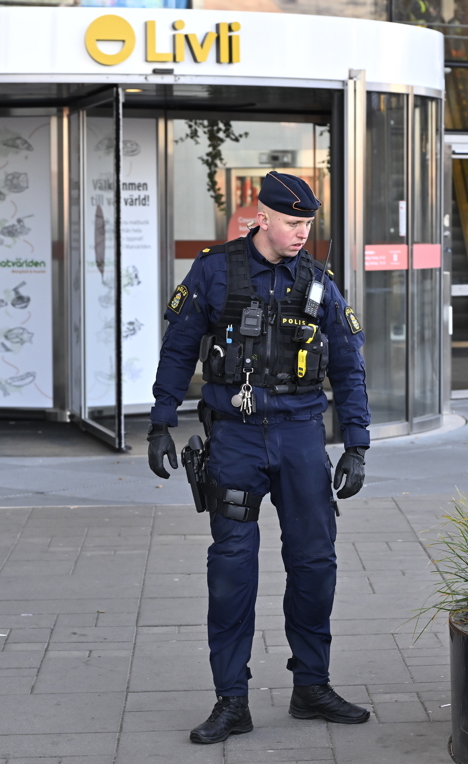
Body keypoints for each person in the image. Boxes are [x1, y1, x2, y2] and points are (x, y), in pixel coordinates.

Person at [146, 170, 373, 744]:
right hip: (237, 438)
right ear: (262, 217)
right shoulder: (214, 270)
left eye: (308, 224)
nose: (303, 233)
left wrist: (358, 444)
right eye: (294, 223)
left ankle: (311, 686)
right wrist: (160, 420)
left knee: (315, 563)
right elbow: (178, 347)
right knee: (231, 569)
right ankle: (231, 700)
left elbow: (348, 364)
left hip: (300, 436)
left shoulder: (319, 281)